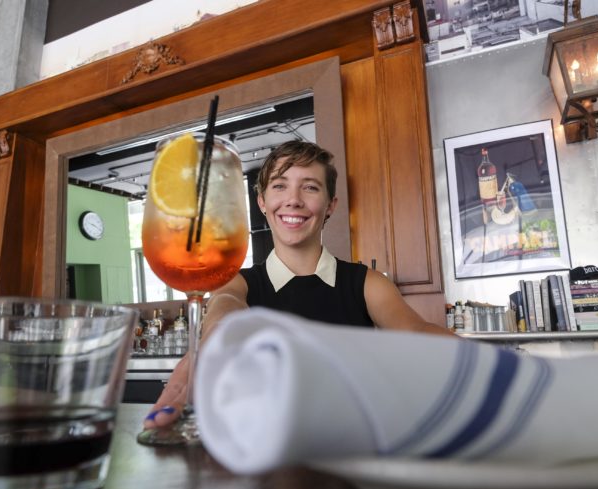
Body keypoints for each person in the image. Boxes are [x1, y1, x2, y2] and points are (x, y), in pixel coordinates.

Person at [143, 141, 454, 430]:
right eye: (280, 186)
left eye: (310, 187)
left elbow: (416, 333)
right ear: (262, 201)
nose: (293, 200)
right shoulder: (239, 282)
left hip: (350, 441)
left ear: (330, 205)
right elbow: (226, 303)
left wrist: (476, 359)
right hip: (263, 443)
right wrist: (218, 334)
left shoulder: (367, 283)